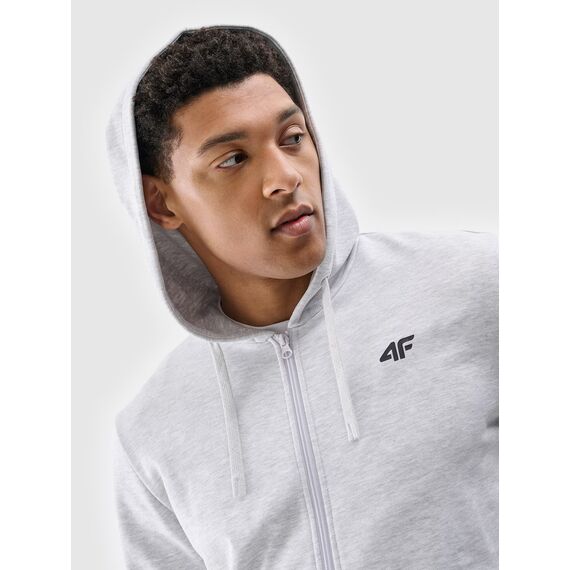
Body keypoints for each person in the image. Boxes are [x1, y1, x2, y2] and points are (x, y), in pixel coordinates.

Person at [106, 25, 498, 570]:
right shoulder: (153, 430)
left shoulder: (475, 285)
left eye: (292, 138)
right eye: (233, 159)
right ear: (161, 202)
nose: (285, 177)